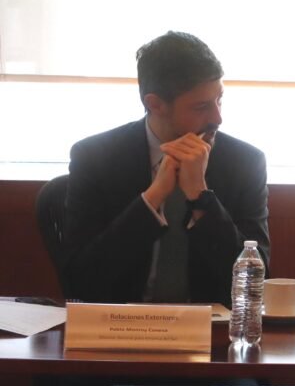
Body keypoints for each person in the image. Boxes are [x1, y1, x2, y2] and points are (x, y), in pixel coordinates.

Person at [62, 31, 270, 306]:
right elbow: (80, 280)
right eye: (201, 106)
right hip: (121, 323)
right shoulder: (95, 157)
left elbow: (256, 281)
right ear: (155, 104)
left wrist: (201, 198)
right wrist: (152, 198)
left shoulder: (244, 162)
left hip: (213, 326)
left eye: (219, 99)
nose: (218, 117)